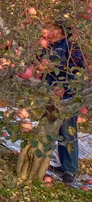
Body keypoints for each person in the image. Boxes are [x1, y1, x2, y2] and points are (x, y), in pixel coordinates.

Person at [40, 19, 86, 184]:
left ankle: (70, 170)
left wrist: (57, 67)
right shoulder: (47, 46)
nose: (47, 30)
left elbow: (79, 66)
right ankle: (63, 165)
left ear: (60, 31)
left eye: (51, 28)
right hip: (51, 93)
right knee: (54, 130)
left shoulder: (70, 46)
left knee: (67, 131)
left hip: (68, 94)